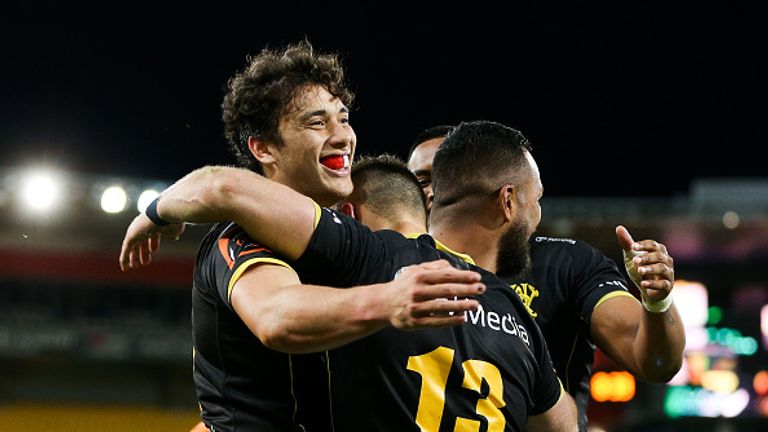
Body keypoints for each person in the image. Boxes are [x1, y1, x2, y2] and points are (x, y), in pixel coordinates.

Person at [121, 41, 486, 432]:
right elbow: (277, 316)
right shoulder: (241, 236)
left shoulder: (346, 241)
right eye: (317, 123)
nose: (342, 136)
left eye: (343, 119)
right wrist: (389, 298)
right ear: (263, 149)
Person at [120, 122, 580, 431]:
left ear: (347, 214)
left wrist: (154, 212)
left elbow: (225, 188)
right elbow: (563, 424)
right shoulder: (510, 306)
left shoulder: (358, 261)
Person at [407, 125, 685, 430]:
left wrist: (658, 302)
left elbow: (655, 362)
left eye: (446, 177)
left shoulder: (566, 264)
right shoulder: (388, 265)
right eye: (422, 180)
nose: (436, 191)